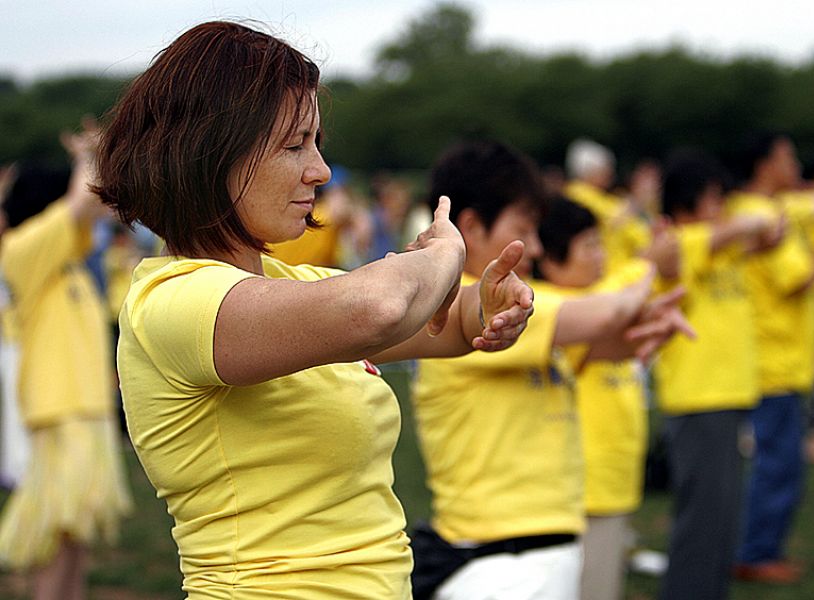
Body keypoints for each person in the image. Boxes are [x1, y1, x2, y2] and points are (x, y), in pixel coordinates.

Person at [93, 21, 536, 599]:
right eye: (294, 144)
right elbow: (377, 308)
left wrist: (492, 305)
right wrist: (447, 256)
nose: (321, 171)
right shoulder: (175, 301)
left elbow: (441, 324)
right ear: (211, 152)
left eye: (317, 144)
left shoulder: (290, 286)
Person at [410, 140, 690, 600]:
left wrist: (651, 321)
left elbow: (607, 341)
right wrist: (645, 268)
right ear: (472, 227)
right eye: (524, 229)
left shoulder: (510, 308)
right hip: (502, 564)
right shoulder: (475, 302)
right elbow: (600, 315)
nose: (536, 248)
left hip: (521, 553)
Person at [727, 133, 814, 584]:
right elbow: (800, 281)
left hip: (776, 358)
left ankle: (759, 548)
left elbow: (813, 206)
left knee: (779, 461)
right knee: (778, 464)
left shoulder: (759, 210)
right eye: (787, 157)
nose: (796, 165)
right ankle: (756, 553)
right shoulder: (759, 215)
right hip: (773, 362)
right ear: (765, 165)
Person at [0, 139, 133, 599]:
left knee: (76, 537)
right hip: (58, 409)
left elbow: (89, 207)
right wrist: (87, 158)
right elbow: (81, 203)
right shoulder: (21, 251)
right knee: (56, 536)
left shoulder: (68, 261)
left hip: (84, 408)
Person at [649, 150, 777, 600]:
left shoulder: (718, 245)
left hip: (725, 396)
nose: (723, 207)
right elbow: (751, 226)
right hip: (700, 399)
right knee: (703, 519)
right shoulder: (679, 243)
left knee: (721, 517)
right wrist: (752, 218)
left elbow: (770, 235)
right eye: (715, 198)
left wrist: (760, 223)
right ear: (691, 201)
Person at [536, 197, 657, 600]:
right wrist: (647, 266)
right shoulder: (553, 309)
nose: (601, 256)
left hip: (614, 479)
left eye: (600, 244)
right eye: (588, 246)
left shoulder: (601, 302)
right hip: (586, 488)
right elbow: (617, 294)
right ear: (550, 261)